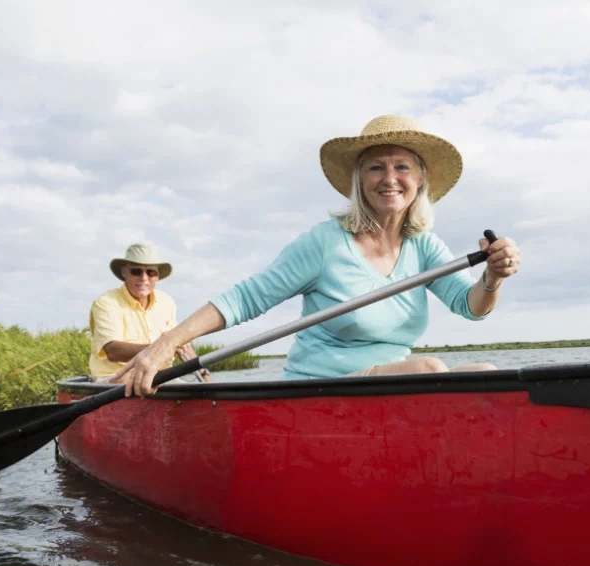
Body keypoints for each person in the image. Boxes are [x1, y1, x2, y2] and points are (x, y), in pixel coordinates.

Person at [115, 115, 520, 396]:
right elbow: (245, 299)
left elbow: (472, 307)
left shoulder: (426, 246)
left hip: (392, 386)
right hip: (322, 386)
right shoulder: (325, 243)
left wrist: (493, 278)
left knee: (491, 376)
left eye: (402, 167)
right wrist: (165, 344)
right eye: (376, 167)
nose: (390, 178)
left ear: (419, 180)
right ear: (360, 180)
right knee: (429, 369)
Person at [89, 243, 210, 382]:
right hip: (115, 378)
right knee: (134, 382)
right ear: (124, 272)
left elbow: (181, 343)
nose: (144, 278)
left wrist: (204, 374)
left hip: (159, 377)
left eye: (150, 272)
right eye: (137, 271)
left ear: (157, 276)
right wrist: (159, 349)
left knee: (195, 390)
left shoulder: (166, 301)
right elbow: (112, 351)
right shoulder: (106, 302)